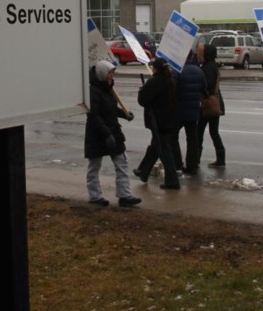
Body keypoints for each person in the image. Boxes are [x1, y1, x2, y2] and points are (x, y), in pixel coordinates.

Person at [84, 60, 142, 207]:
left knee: (122, 163)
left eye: (112, 73)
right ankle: (95, 197)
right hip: (98, 134)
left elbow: (111, 109)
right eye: (110, 73)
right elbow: (94, 116)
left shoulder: (108, 89)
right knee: (94, 167)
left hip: (114, 132)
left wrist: (124, 114)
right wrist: (106, 134)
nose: (112, 76)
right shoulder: (93, 91)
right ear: (103, 74)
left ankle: (125, 196)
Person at [133, 57, 181, 189]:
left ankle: (172, 181)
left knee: (164, 150)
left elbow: (143, 101)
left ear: (156, 69)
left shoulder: (155, 82)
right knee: (155, 147)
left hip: (159, 122)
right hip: (170, 120)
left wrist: (142, 91)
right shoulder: (171, 80)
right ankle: (143, 171)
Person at [171, 51, 206, 176]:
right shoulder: (199, 71)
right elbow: (204, 90)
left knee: (173, 136)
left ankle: (177, 164)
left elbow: (172, 90)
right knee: (192, 138)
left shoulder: (176, 71)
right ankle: (192, 165)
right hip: (194, 110)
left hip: (179, 110)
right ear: (192, 56)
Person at [197, 44, 226, 167]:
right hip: (216, 103)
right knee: (214, 132)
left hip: (208, 104)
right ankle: (221, 159)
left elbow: (206, 86)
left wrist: (201, 93)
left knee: (199, 132)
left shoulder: (207, 67)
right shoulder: (213, 65)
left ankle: (195, 159)